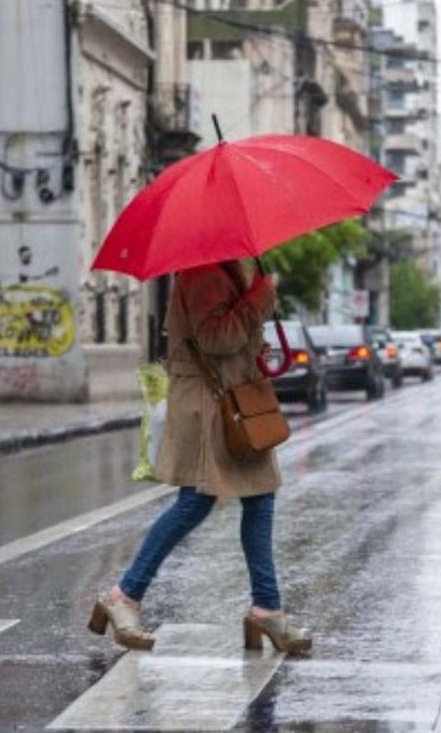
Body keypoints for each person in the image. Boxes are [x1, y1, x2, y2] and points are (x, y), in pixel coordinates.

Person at [88, 259, 311, 655]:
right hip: (211, 405)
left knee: (260, 496)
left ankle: (266, 607)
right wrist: (257, 302)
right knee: (195, 500)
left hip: (237, 400)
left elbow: (234, 337)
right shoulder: (203, 271)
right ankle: (124, 596)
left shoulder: (233, 266)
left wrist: (257, 314)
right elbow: (214, 339)